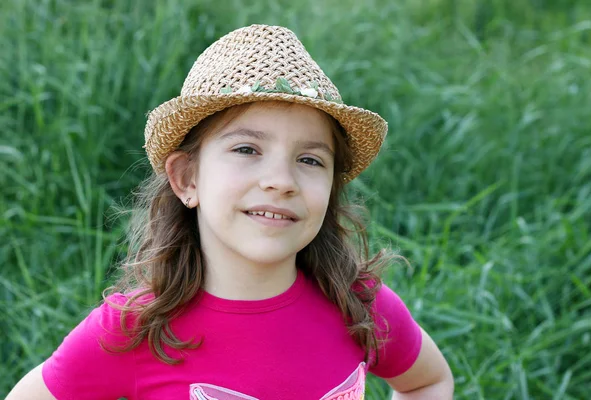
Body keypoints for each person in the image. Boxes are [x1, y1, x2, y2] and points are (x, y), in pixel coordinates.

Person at [7, 24, 453, 399]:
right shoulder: (134, 330)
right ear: (187, 179)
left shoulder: (360, 305)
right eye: (246, 148)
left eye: (310, 160)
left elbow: (428, 381)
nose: (281, 180)